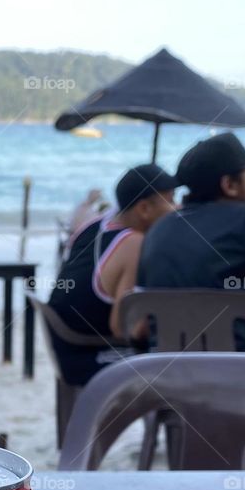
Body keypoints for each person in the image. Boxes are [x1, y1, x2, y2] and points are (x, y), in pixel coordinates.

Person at [136, 133, 245, 349]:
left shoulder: (159, 229)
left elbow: (139, 327)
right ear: (230, 185)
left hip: (166, 364)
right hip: (243, 364)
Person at [47, 164, 178, 385]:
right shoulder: (134, 243)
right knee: (177, 366)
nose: (177, 208)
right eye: (171, 200)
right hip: (91, 355)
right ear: (144, 209)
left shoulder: (94, 225)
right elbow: (123, 327)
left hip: (65, 348)